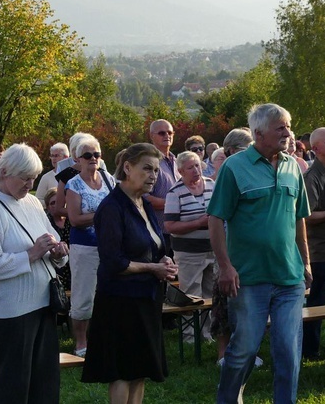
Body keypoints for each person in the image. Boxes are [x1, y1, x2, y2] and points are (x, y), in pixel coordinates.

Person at [208, 103, 311, 404]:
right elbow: (216, 218)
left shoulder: (293, 166)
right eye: (280, 127)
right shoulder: (234, 167)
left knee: (288, 352)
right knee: (243, 351)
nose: (288, 133)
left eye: (288, 126)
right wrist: (225, 267)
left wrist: (305, 262)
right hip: (249, 278)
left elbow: (298, 218)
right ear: (258, 133)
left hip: (289, 278)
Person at [0, 143, 69, 404]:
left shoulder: (32, 203)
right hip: (12, 312)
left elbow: (52, 239)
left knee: (45, 382)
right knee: (13, 385)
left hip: (43, 303)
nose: (30, 184)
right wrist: (31, 255)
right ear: (3, 172)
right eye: (25, 177)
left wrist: (58, 252)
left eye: (34, 177)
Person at [82, 143, 177, 404]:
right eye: (147, 168)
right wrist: (154, 268)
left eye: (156, 171)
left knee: (141, 370)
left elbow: (151, 244)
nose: (153, 176)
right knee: (123, 371)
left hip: (146, 298)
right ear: (127, 167)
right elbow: (113, 261)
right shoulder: (112, 207)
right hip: (120, 301)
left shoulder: (143, 203)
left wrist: (164, 260)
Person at [65, 135, 115, 357]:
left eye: (96, 154)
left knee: (108, 294)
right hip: (84, 247)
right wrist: (102, 215)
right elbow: (74, 219)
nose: (93, 158)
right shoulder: (73, 184)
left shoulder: (109, 179)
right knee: (83, 294)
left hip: (108, 247)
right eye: (87, 155)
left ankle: (103, 337)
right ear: (78, 159)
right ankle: (81, 343)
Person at [208, 128, 253, 365]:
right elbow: (216, 218)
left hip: (248, 250)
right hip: (227, 249)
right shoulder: (227, 172)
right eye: (247, 148)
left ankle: (245, 351)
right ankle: (223, 353)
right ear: (232, 150)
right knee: (224, 301)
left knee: (247, 302)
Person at [164, 151, 215, 342]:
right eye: (190, 167)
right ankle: (190, 336)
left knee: (211, 292)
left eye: (197, 166)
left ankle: (208, 334)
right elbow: (169, 226)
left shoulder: (211, 184)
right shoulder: (174, 192)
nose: (196, 170)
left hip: (213, 248)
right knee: (192, 293)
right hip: (188, 252)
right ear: (180, 171)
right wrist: (198, 223)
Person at [302, 127, 325, 360]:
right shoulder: (312, 176)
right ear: (315, 149)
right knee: (317, 302)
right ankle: (310, 350)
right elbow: (305, 216)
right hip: (320, 251)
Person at [146, 120, 181, 252]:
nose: (167, 135)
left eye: (170, 132)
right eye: (161, 133)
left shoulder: (176, 161)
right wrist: (176, 203)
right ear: (152, 136)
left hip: (178, 232)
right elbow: (144, 199)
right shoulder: (149, 162)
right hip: (158, 233)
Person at [45, 187, 71, 291]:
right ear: (47, 206)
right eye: (52, 203)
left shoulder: (72, 221)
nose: (56, 205)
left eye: (59, 202)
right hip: (56, 266)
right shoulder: (46, 223)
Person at [35, 143, 70, 207]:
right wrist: (52, 203)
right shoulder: (46, 177)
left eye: (56, 155)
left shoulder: (75, 175)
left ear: (66, 157)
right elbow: (38, 200)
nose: (53, 158)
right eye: (52, 156)